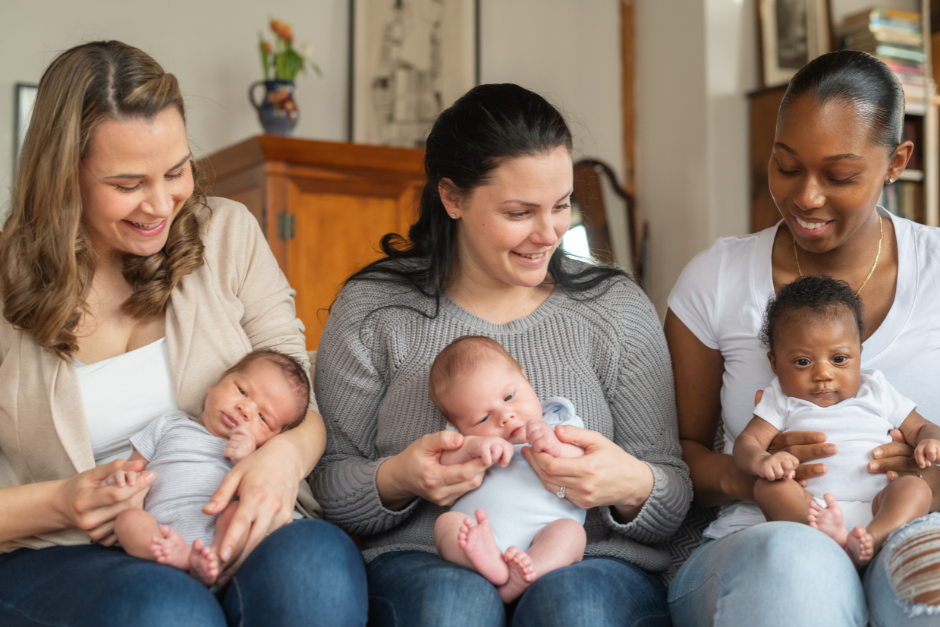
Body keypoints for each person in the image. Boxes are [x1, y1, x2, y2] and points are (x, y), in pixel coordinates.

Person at [0, 41, 366, 627]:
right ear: (63, 176)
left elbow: (305, 401)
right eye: (126, 184)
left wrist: (284, 460)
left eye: (176, 171)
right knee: (167, 608)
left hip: (231, 514)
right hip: (64, 553)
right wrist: (61, 500)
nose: (161, 204)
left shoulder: (227, 235)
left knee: (316, 573)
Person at [312, 82, 691, 627]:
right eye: (519, 212)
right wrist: (400, 478)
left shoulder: (614, 307)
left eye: (561, 206)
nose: (549, 233)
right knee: (454, 607)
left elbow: (674, 496)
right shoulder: (377, 308)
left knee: (574, 610)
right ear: (453, 198)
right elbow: (328, 484)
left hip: (592, 562)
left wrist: (629, 484)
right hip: (428, 560)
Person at [665, 49, 940, 627]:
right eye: (786, 166)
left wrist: (927, 475)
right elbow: (670, 458)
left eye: (839, 176)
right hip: (761, 541)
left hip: (909, 522)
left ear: (897, 161)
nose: (806, 197)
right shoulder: (715, 279)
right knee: (797, 570)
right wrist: (755, 472)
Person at [732, 276, 937, 566]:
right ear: (775, 363)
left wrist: (929, 441)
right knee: (767, 487)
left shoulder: (875, 389)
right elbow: (748, 442)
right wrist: (761, 462)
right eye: (803, 362)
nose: (823, 374)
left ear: (860, 354)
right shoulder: (780, 398)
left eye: (839, 359)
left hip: (879, 503)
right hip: (811, 508)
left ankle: (872, 539)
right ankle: (824, 540)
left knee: (916, 488)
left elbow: (921, 426)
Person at [105, 349, 311, 586]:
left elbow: (257, 489)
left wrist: (245, 459)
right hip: (161, 530)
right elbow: (133, 466)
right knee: (128, 520)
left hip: (221, 533)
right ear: (216, 382)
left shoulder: (257, 454)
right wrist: (122, 478)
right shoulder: (168, 424)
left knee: (239, 515)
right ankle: (173, 557)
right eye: (242, 391)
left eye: (263, 418)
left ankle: (216, 559)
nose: (246, 409)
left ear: (274, 438)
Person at [428, 335, 587, 603]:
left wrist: (555, 447)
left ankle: (532, 570)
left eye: (510, 396)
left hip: (546, 528)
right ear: (458, 425)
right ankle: (491, 566)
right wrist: (472, 448)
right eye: (483, 418)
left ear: (525, 377)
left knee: (571, 534)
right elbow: (441, 470)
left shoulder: (559, 422)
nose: (506, 416)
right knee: (446, 524)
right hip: (479, 533)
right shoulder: (464, 442)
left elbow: (585, 461)